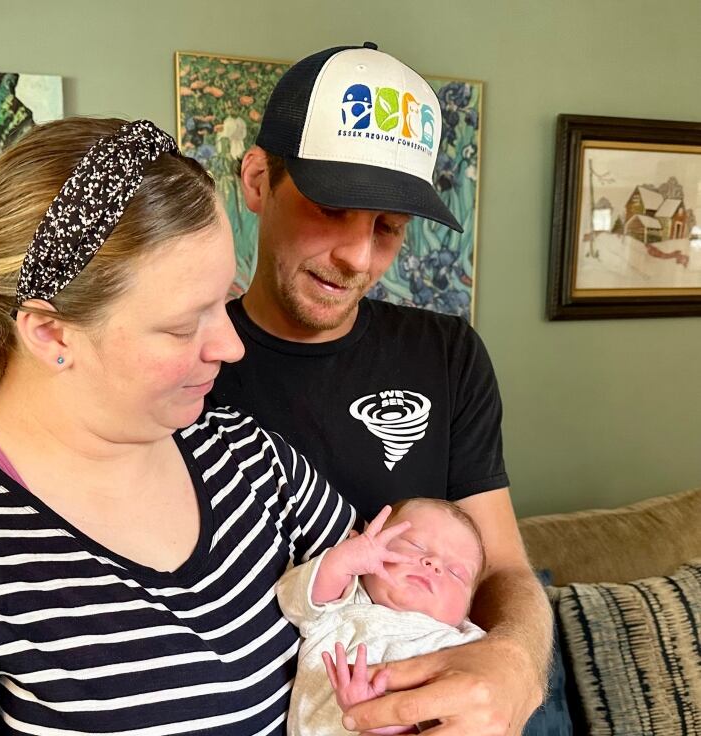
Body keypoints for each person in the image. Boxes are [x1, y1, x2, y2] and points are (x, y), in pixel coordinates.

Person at [0, 117, 357, 734]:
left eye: (224, 300)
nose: (231, 347)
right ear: (50, 332)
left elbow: (402, 600)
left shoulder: (245, 453)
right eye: (184, 326)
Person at [211, 42, 553, 733]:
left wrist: (516, 663)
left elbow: (505, 570)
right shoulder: (191, 366)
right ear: (256, 181)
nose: (358, 258)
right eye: (333, 209)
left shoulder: (447, 355)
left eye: (389, 228)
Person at [278, 499, 487, 736]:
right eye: (415, 545)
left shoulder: (466, 642)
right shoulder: (345, 598)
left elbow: (478, 712)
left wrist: (390, 723)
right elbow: (293, 601)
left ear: (468, 607)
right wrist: (343, 562)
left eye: (456, 573)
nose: (434, 563)